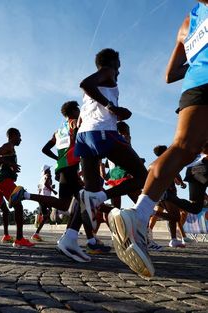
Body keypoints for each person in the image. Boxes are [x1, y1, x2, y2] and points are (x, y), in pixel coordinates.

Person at [109, 1, 208, 277]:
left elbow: (169, 74)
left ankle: (139, 217)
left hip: (194, 86)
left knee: (181, 148)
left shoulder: (188, 22)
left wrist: (198, 62)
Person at [42, 101, 109, 261]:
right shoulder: (73, 123)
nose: (80, 111)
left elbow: (45, 149)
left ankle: (89, 240)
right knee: (74, 202)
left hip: (63, 167)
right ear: (73, 111)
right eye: (78, 109)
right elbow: (84, 137)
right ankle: (26, 195)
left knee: (80, 202)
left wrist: (58, 158)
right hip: (71, 167)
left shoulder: (58, 131)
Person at [31, 165, 57, 242]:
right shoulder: (47, 175)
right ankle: (38, 219)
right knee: (55, 210)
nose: (50, 171)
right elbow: (46, 184)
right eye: (49, 169)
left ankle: (36, 231)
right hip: (46, 198)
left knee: (46, 216)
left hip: (41, 198)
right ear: (46, 171)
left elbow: (40, 188)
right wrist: (53, 190)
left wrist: (51, 187)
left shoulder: (41, 179)